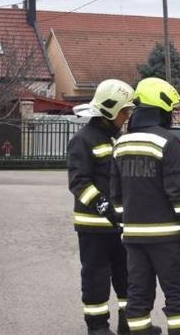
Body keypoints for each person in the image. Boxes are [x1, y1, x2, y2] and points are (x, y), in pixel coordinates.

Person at [110, 77, 180, 335]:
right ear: (160, 108)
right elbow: (178, 193)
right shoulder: (166, 142)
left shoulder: (121, 144)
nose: (171, 116)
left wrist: (126, 224)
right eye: (170, 110)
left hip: (133, 238)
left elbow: (115, 195)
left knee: (138, 296)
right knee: (179, 295)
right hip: (165, 238)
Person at [69, 79, 136, 335]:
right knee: (96, 279)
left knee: (126, 278)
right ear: (110, 110)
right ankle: (97, 328)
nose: (127, 116)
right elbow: (78, 182)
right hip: (93, 227)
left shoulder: (118, 138)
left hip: (119, 226)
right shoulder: (82, 141)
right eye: (124, 111)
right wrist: (101, 203)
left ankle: (128, 326)